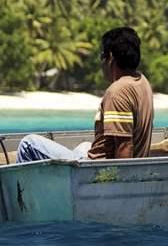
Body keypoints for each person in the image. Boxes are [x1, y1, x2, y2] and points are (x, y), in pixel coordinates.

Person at [16, 26, 154, 162]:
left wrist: (119, 183)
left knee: (28, 144)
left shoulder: (117, 92)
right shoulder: (142, 82)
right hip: (102, 162)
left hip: (96, 172)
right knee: (84, 147)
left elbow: (125, 146)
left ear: (110, 57)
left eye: (102, 56)